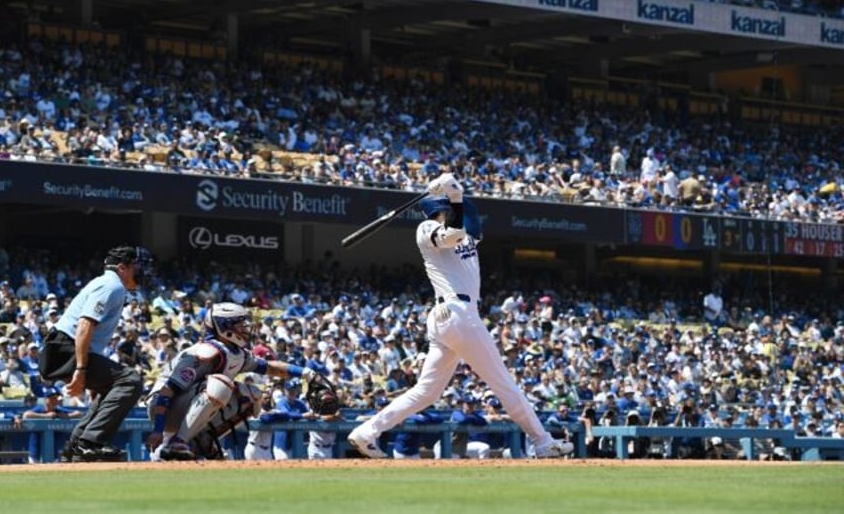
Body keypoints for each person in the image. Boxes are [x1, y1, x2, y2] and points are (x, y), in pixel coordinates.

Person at [347, 173, 573, 459]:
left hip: (450, 317)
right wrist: (450, 197)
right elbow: (452, 234)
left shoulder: (466, 231)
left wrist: (457, 193)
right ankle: (542, 441)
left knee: (427, 392)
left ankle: (367, 432)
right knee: (502, 381)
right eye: (450, 207)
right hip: (456, 312)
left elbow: (471, 225)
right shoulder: (426, 227)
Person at [144, 302, 319, 461]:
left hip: (184, 405)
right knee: (221, 384)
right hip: (162, 407)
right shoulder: (205, 352)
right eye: (240, 323)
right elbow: (168, 390)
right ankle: (178, 442)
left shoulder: (235, 352)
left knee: (253, 395)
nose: (245, 328)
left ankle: (203, 439)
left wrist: (306, 373)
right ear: (224, 327)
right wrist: (158, 429)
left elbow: (270, 367)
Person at [38, 245, 154, 462]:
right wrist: (81, 369)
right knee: (131, 381)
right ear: (122, 268)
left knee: (113, 386)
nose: (142, 271)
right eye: (137, 266)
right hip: (64, 349)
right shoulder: (112, 286)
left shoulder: (109, 284)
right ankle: (90, 442)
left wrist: (94, 376)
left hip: (63, 348)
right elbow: (84, 326)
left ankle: (77, 447)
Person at [22, 386, 81, 463]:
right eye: (52, 398)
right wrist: (46, 416)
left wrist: (66, 416)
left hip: (53, 451)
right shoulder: (40, 408)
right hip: (36, 450)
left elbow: (78, 413)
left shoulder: (58, 410)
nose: (54, 401)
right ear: (45, 399)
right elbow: (26, 415)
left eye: (55, 398)